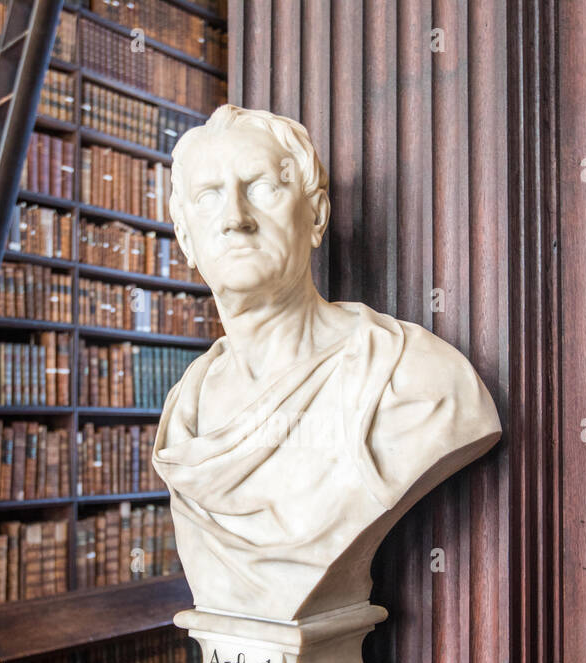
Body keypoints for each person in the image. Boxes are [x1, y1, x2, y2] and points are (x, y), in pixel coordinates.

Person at [152, 105, 501, 622]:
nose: (235, 218)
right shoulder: (188, 409)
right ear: (186, 239)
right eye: (209, 198)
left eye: (264, 188)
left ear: (315, 216)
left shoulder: (416, 380)